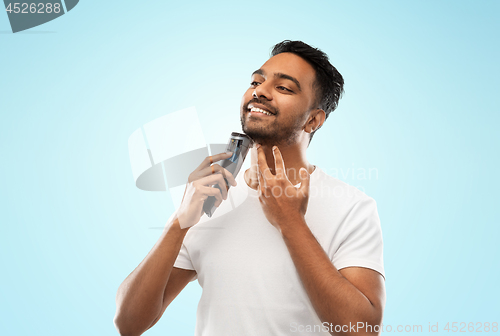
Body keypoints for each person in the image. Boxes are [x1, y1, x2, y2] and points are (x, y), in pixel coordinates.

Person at [114, 40, 386, 336]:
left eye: (284, 88)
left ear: (313, 120)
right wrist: (178, 223)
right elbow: (129, 324)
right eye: (256, 81)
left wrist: (291, 223)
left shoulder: (352, 206)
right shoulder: (208, 197)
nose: (260, 91)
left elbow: (362, 330)